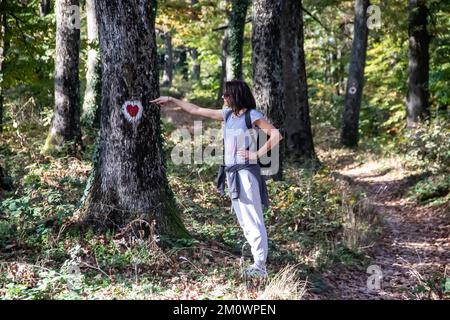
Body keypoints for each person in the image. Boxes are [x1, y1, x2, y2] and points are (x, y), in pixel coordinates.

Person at [151, 80, 283, 277]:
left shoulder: (251, 115)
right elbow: (195, 110)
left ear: (236, 95)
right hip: (232, 174)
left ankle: (260, 266)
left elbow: (276, 134)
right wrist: (171, 99)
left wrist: (256, 155)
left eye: (226, 94)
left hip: (246, 173)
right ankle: (257, 262)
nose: (223, 97)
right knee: (244, 220)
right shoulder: (228, 114)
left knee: (253, 218)